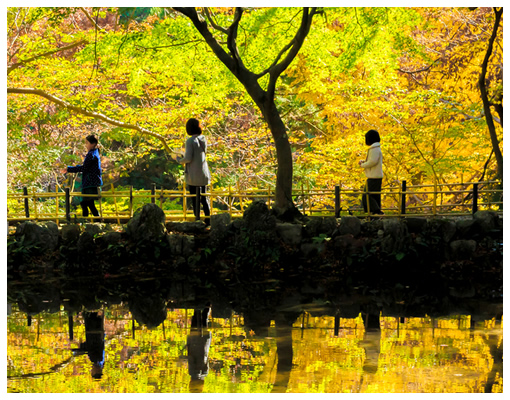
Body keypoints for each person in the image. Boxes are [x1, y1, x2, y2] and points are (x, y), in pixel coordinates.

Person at [177, 118, 211, 225]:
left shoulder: (190, 141)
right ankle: (208, 219)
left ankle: (197, 220)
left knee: (194, 198)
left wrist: (179, 160)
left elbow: (188, 158)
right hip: (203, 174)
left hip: (193, 175)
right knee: (204, 198)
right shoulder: (203, 139)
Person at [67, 134, 103, 221]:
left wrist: (69, 169)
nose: (86, 145)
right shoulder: (94, 153)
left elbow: (84, 168)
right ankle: (89, 220)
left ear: (93, 144)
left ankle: (92, 221)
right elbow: (85, 167)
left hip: (90, 183)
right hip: (90, 182)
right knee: (85, 203)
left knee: (87, 202)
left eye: (87, 143)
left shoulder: (92, 155)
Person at [359, 129, 383, 215]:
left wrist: (363, 165)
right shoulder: (375, 149)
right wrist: (364, 162)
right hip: (376, 176)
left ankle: (376, 211)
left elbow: (373, 161)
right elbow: (372, 160)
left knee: (367, 195)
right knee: (374, 195)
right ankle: (374, 212)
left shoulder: (374, 149)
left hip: (374, 177)